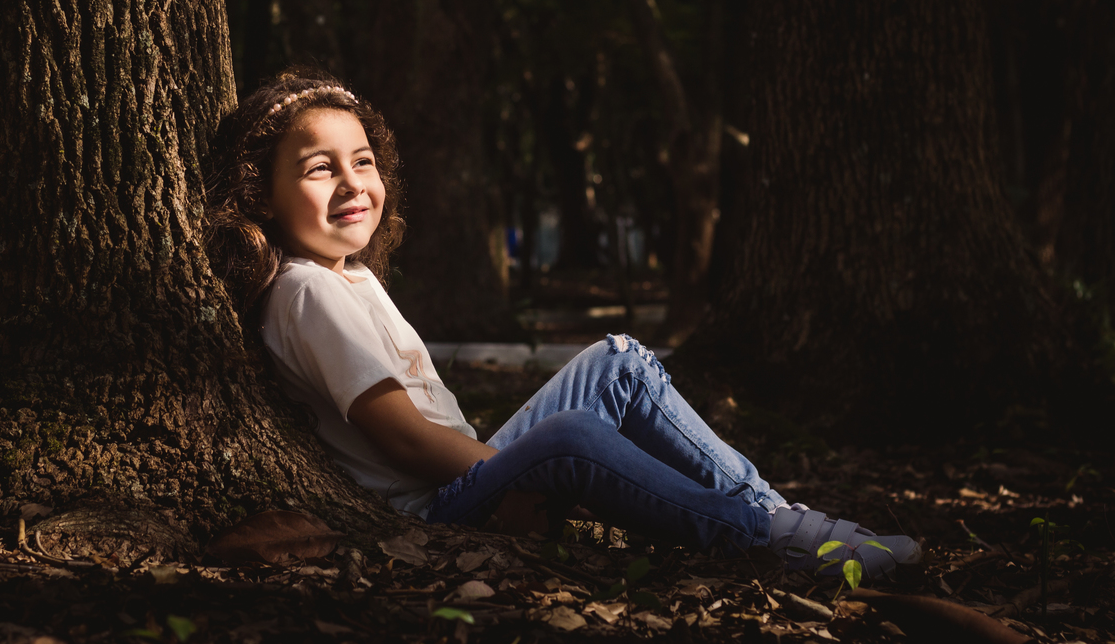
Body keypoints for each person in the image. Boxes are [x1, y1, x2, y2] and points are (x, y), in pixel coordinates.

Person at [205, 69, 921, 581]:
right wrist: (516, 476)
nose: (353, 183)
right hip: (437, 507)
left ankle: (780, 519)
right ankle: (761, 537)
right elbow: (401, 436)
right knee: (571, 438)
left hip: (466, 476)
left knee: (621, 362)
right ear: (260, 197)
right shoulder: (304, 292)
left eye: (362, 161)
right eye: (318, 169)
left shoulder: (348, 277)